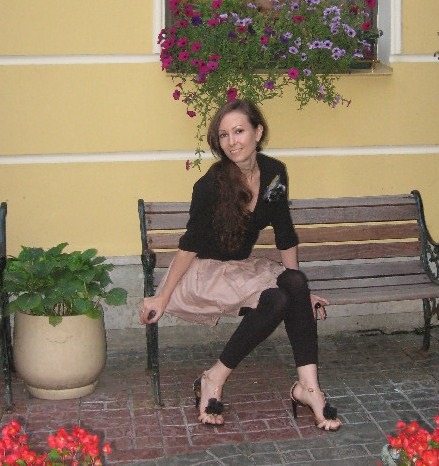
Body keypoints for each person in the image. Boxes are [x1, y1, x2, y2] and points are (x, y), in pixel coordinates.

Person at [140, 99, 341, 431]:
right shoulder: (211, 185)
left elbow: (284, 232)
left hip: (240, 270)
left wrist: (301, 291)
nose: (232, 142)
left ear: (257, 132)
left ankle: (307, 388)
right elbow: (189, 246)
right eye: (224, 135)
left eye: (239, 131)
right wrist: (162, 296)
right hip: (204, 273)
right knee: (280, 297)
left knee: (292, 287)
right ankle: (214, 380)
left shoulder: (274, 173)